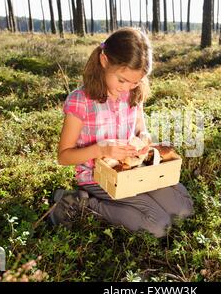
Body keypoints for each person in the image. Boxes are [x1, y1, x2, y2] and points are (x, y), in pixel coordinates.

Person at [50, 28, 194, 238]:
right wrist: (101, 149)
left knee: (184, 210)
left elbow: (140, 128)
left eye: (135, 81)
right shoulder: (80, 101)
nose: (127, 88)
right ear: (104, 60)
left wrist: (144, 137)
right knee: (159, 226)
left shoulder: (133, 92)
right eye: (121, 80)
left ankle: (139, 199)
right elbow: (64, 156)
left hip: (133, 170)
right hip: (97, 177)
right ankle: (81, 202)